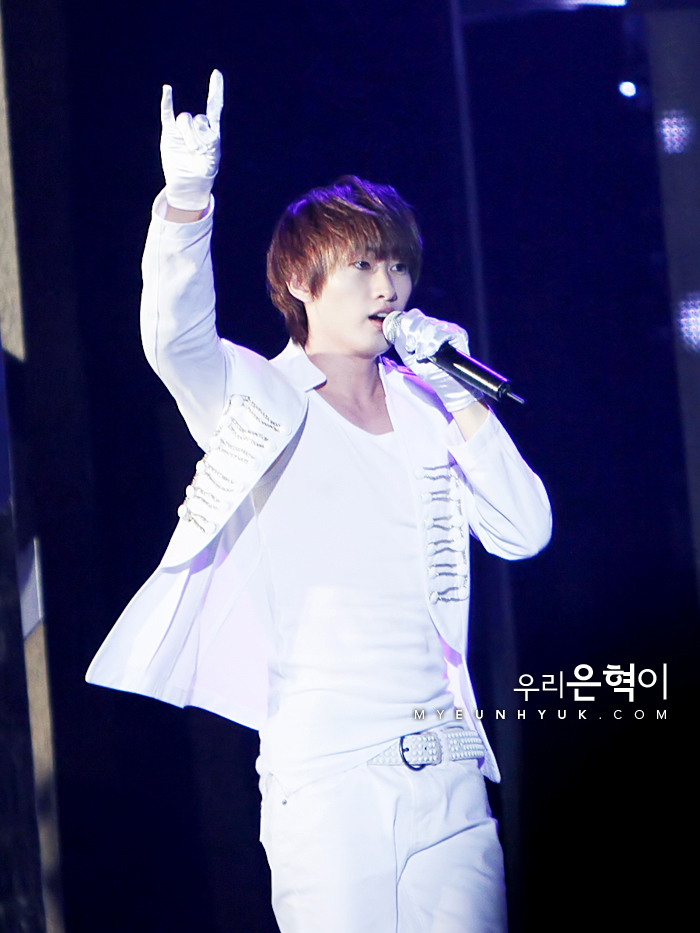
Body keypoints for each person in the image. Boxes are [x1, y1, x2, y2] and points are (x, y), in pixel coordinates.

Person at [87, 70, 552, 932]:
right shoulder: (258, 396)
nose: (389, 286)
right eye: (363, 265)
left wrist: (464, 401)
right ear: (301, 281)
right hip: (329, 778)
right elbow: (174, 338)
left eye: (399, 264)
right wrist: (186, 199)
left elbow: (525, 531)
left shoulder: (431, 406)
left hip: (449, 773)